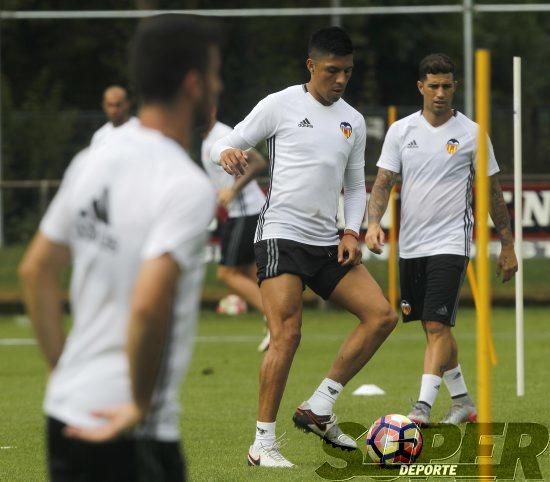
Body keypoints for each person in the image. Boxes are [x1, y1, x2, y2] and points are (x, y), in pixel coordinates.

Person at [18, 14, 222, 481]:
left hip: (66, 409)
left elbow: (36, 271)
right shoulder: (185, 184)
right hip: (132, 431)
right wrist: (139, 404)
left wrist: (62, 370)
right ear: (193, 84)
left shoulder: (92, 158)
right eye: (214, 74)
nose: (219, 85)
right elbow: (149, 305)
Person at [211, 26, 397, 468]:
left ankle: (319, 406)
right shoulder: (280, 105)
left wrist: (352, 230)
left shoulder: (352, 120)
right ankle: (263, 444)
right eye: (332, 71)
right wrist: (225, 155)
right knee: (287, 334)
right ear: (311, 66)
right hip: (280, 235)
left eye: (347, 72)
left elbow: (355, 186)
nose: (340, 80)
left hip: (326, 241)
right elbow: (227, 141)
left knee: (382, 316)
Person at [365, 53, 518, 426]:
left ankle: (421, 409)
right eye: (433, 86)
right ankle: (463, 402)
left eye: (447, 86)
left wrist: (508, 245)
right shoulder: (401, 131)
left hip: (451, 243)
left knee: (437, 327)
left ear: (455, 87)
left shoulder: (471, 134)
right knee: (433, 327)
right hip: (412, 246)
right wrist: (372, 224)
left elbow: (492, 193)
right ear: (420, 87)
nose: (440, 93)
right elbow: (383, 183)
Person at [201, 109, 271, 352]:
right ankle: (279, 322)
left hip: (246, 211)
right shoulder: (205, 139)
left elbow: (259, 162)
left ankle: (276, 320)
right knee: (250, 273)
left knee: (226, 273)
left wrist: (234, 189)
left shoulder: (222, 134)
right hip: (241, 212)